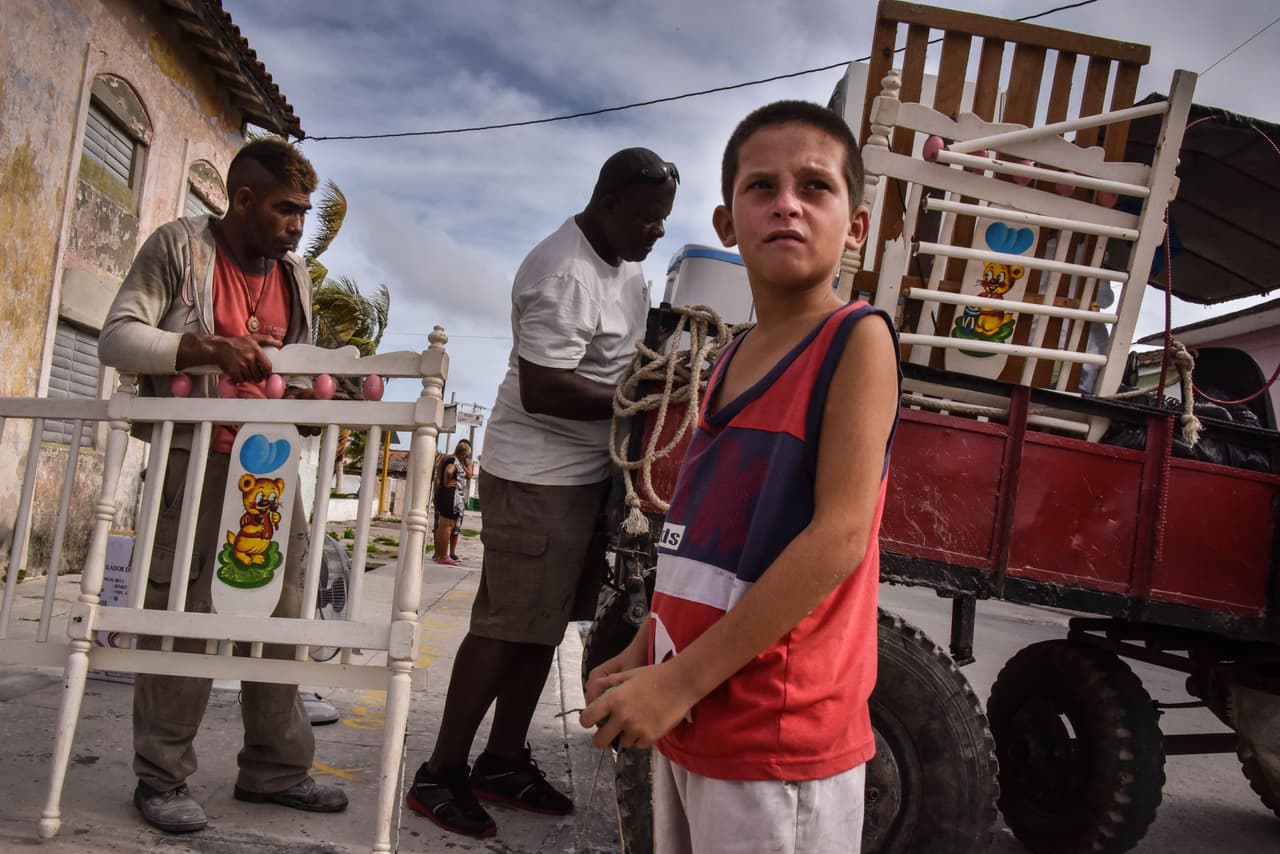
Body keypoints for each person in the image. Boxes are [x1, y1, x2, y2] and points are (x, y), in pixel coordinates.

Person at [579, 101, 901, 854]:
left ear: (856, 225)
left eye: (814, 187)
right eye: (762, 187)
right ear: (727, 224)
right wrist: (651, 652)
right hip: (696, 717)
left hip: (776, 739)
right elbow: (704, 536)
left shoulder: (857, 340)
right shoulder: (729, 356)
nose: (786, 203)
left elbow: (839, 536)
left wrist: (681, 682)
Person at [406, 148, 679, 838]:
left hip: (581, 478)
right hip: (534, 477)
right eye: (647, 218)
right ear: (609, 202)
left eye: (662, 222)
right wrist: (640, 404)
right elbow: (544, 387)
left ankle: (501, 760)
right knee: (503, 629)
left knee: (540, 630)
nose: (656, 233)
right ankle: (439, 774)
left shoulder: (626, 264)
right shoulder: (562, 272)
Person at [98, 138, 348, 834]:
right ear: (241, 200)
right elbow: (117, 337)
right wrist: (203, 346)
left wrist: (309, 404)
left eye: (303, 213)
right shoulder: (180, 248)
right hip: (198, 461)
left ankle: (275, 771)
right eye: (285, 210)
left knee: (282, 612)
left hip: (269, 470)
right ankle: (162, 778)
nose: (297, 226)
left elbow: (294, 370)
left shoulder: (293, 278)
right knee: (185, 611)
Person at [431, 439, 473, 565]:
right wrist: (447, 482)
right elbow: (449, 471)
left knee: (441, 526)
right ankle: (443, 556)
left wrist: (439, 491)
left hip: (445, 496)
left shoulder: (447, 459)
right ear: (465, 453)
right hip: (451, 497)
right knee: (447, 526)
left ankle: (439, 554)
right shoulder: (454, 460)